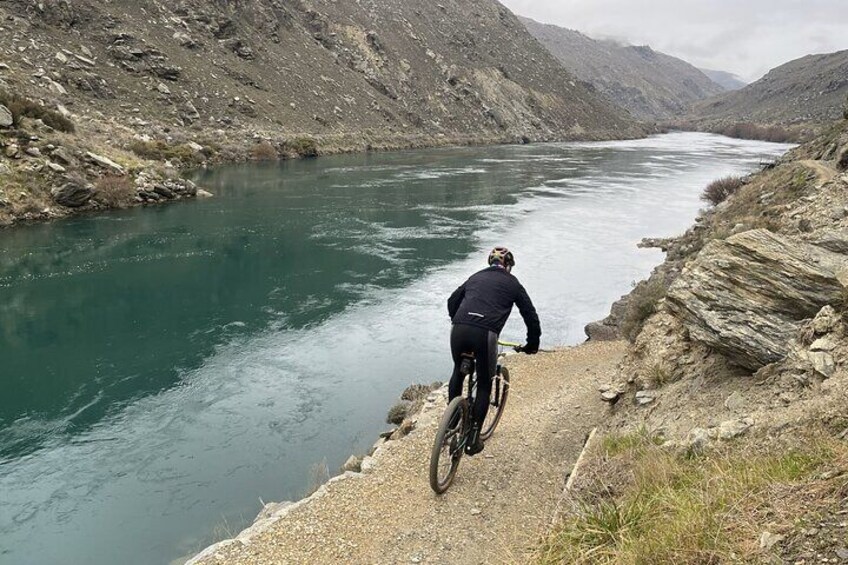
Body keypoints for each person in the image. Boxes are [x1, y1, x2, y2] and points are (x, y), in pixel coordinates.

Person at [446, 246, 541, 456]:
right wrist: (532, 344)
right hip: (485, 334)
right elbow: (530, 315)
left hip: (459, 328)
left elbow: (452, 301)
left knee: (457, 372)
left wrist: (458, 319)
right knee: (484, 385)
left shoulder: (475, 277)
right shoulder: (513, 283)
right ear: (508, 266)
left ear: (491, 263)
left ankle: (452, 423)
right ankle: (472, 439)